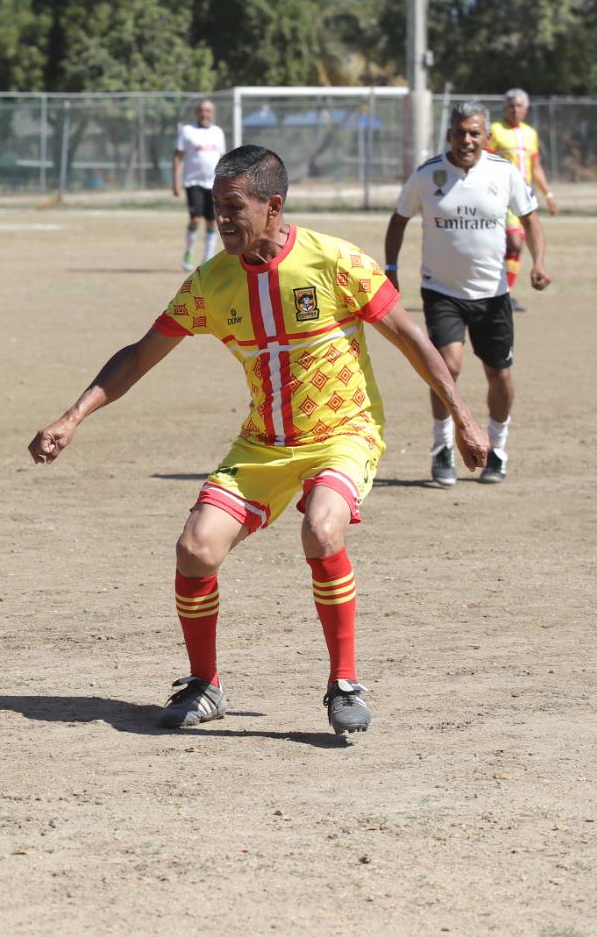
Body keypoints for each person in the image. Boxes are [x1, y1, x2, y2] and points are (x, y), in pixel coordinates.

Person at [28, 145, 487, 735]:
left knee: (322, 529)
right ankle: (204, 684)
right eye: (217, 208)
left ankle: (344, 682)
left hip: (343, 433)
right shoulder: (212, 284)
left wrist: (464, 419)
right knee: (195, 548)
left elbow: (413, 340)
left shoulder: (336, 262)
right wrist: (72, 417)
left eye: (233, 208)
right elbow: (141, 354)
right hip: (263, 443)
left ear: (273, 208)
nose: (221, 220)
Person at [385, 101, 550, 487]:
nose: (467, 140)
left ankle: (498, 448)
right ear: (449, 135)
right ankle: (442, 447)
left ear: (486, 137)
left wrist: (538, 262)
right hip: (441, 291)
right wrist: (391, 269)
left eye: (475, 133)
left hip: (493, 295)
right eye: (460, 132)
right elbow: (398, 220)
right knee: (447, 366)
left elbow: (530, 218)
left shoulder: (504, 172)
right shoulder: (428, 175)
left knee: (500, 373)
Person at [484, 88, 557, 312]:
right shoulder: (495, 130)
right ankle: (499, 294)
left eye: (519, 106)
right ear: (504, 108)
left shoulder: (530, 134)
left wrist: (549, 194)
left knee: (515, 245)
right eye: (510, 105)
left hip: (522, 197)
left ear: (526, 109)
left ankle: (505, 295)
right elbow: (482, 159)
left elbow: (535, 168)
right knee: (512, 243)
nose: (514, 109)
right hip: (499, 196)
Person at [171, 98, 226, 271]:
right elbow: (178, 157)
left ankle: (208, 260)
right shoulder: (187, 131)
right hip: (193, 182)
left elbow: (223, 159)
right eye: (202, 110)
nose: (205, 113)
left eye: (208, 110)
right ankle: (188, 252)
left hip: (214, 184)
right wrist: (175, 181)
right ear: (197, 112)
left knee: (212, 222)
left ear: (212, 113)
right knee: (195, 219)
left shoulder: (218, 132)